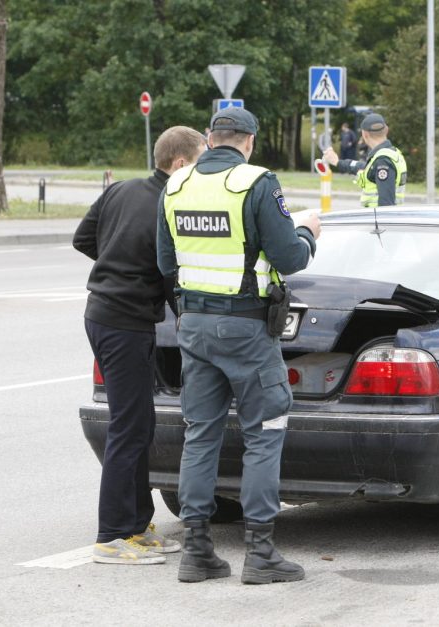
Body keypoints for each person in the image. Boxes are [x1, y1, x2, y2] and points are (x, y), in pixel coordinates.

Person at [157, 107, 321, 585]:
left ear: (210, 139)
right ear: (249, 141)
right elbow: (290, 258)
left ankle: (197, 552)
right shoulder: (257, 182)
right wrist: (308, 230)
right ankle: (261, 552)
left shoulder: (176, 184)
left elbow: (166, 262)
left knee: (200, 435)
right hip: (246, 330)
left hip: (194, 327)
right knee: (265, 432)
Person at [74, 125, 207, 565]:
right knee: (128, 428)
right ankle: (112, 535)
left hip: (104, 314)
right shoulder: (169, 206)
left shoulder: (120, 191)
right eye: (200, 162)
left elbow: (83, 239)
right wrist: (189, 316)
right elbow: (171, 274)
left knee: (140, 424)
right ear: (181, 164)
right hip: (124, 324)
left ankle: (136, 525)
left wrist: (117, 266)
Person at [322, 113, 408, 207]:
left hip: (379, 220)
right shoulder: (392, 153)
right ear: (386, 130)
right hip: (383, 219)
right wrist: (337, 162)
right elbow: (363, 167)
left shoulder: (383, 161)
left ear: (364, 134)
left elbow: (386, 205)